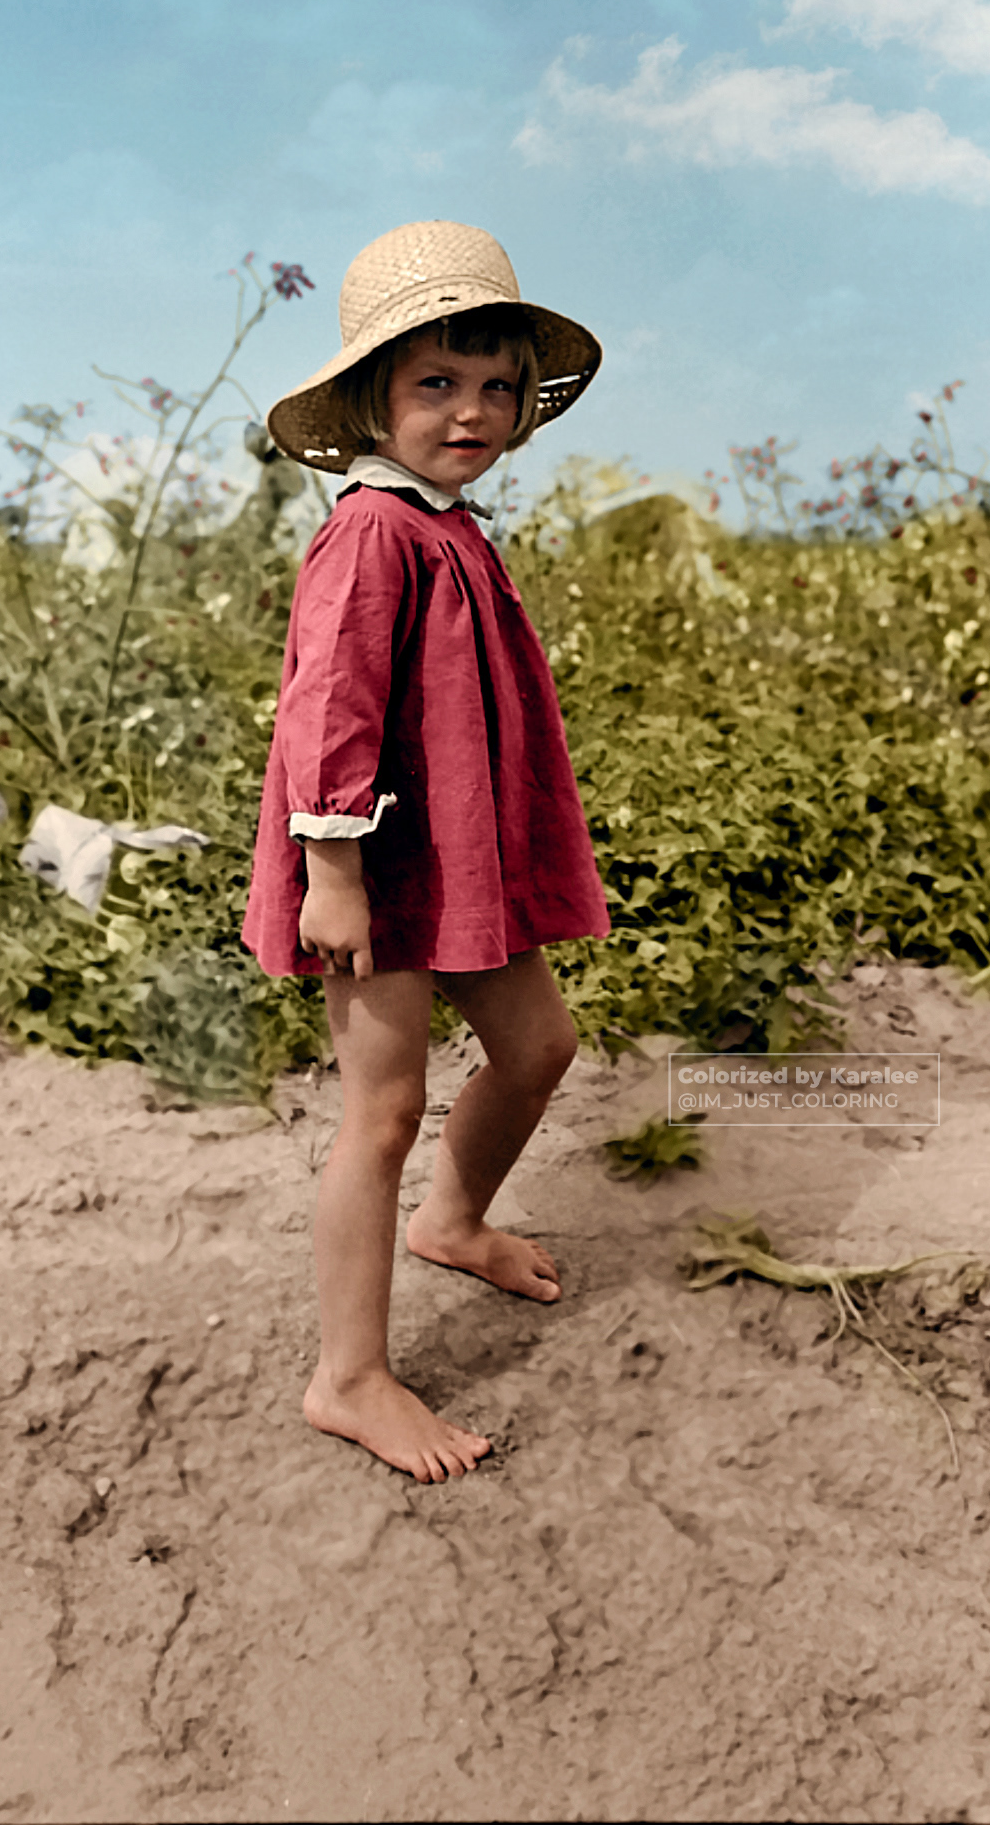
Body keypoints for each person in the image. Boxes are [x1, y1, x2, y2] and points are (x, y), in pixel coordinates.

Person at [242, 220, 610, 1482]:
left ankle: (454, 1221)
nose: (473, 410)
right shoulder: (373, 534)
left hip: (456, 866)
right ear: (371, 400)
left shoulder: (450, 526)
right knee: (382, 1110)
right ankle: (348, 1377)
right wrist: (332, 871)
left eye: (496, 385)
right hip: (376, 870)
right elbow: (328, 705)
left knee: (539, 1045)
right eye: (436, 383)